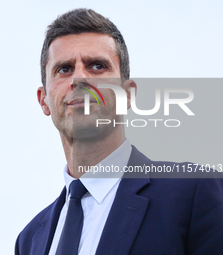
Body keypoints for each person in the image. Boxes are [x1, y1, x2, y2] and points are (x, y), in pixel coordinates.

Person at [15, 8, 223, 255]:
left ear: (129, 94)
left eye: (97, 66)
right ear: (44, 100)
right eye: (64, 69)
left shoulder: (195, 192)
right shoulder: (29, 241)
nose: (80, 78)